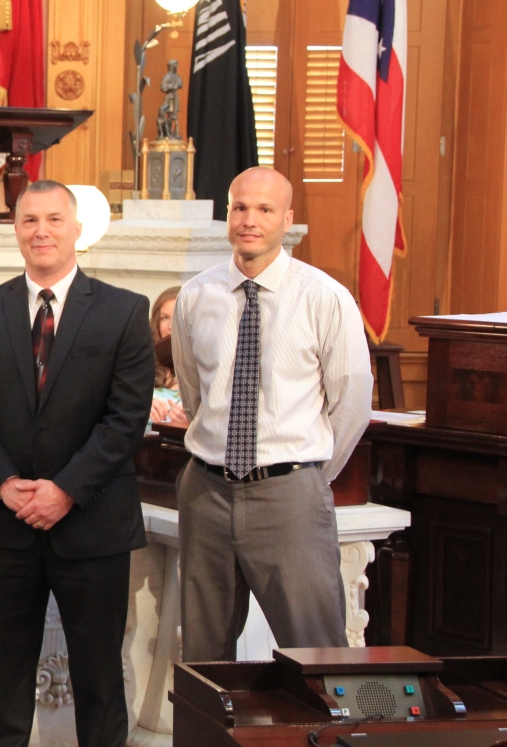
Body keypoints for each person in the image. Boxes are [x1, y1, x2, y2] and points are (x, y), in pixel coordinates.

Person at [0, 180, 153, 747]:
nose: (41, 230)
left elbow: (126, 418)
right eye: (29, 219)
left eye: (54, 219)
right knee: (7, 679)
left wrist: (65, 489)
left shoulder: (123, 310)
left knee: (99, 679)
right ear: (14, 229)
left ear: (76, 229)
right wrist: (2, 483)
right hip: (7, 526)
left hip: (93, 525)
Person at [171, 166, 373, 662]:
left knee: (315, 653)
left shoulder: (325, 298)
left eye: (264, 209)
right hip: (207, 492)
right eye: (240, 207)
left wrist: (303, 475)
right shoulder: (196, 296)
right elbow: (195, 395)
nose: (249, 220)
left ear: (287, 219)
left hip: (289, 496)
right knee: (203, 656)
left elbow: (352, 404)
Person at [149, 286, 184, 424]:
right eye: (164, 318)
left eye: (177, 317)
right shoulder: (141, 362)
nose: (170, 326)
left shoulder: (206, 366)